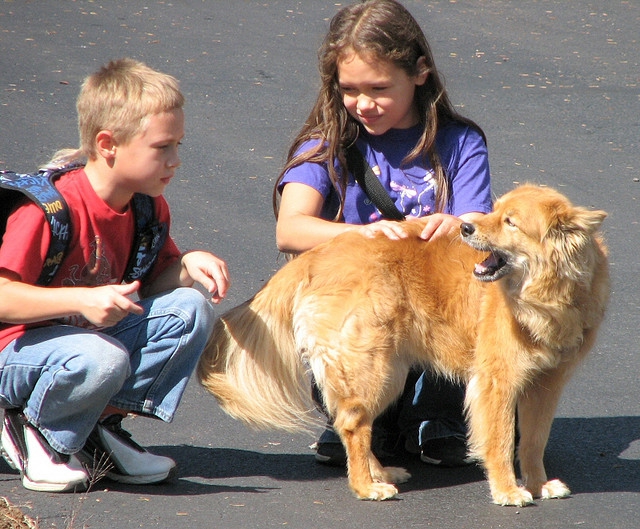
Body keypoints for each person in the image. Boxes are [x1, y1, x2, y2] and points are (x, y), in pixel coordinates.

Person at [273, 0, 492, 467]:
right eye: (349, 89)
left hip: (434, 311)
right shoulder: (328, 142)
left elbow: (482, 231)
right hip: (360, 311)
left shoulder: (460, 142)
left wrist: (459, 223)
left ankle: (437, 414)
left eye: (378, 88)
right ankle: (360, 415)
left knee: (472, 283)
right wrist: (363, 235)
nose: (363, 104)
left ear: (420, 72)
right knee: (361, 342)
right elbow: (290, 230)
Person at [0, 58, 230, 492]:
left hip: (81, 347)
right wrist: (81, 301)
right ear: (108, 144)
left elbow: (146, 286)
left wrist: (185, 267)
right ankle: (36, 431)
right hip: (15, 354)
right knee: (101, 355)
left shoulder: (145, 204)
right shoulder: (48, 210)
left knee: (189, 309)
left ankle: (95, 430)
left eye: (178, 145)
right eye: (162, 147)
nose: (175, 160)